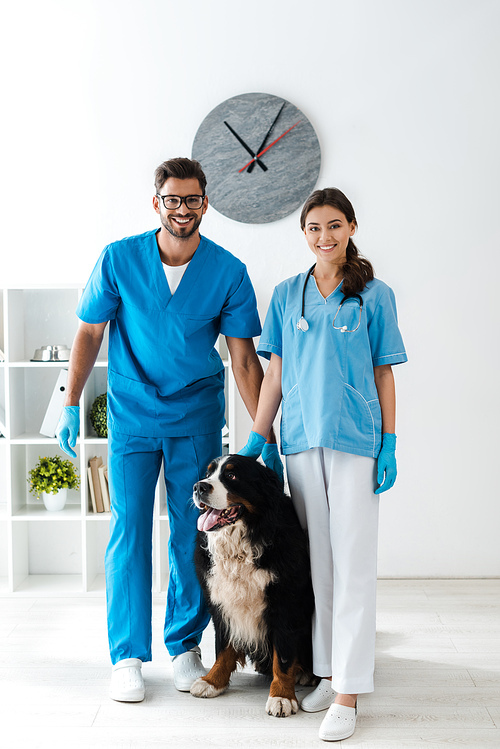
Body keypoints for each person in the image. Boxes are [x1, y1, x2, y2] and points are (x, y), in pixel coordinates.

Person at [56, 157, 281, 702]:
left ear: (206, 203)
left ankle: (185, 647)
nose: (183, 209)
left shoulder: (227, 270)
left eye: (193, 199)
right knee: (129, 531)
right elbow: (89, 331)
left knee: (195, 535)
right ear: (157, 203)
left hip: (196, 417)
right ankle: (127, 657)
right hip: (132, 413)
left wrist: (263, 438)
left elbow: (245, 361)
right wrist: (69, 399)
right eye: (172, 199)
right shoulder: (119, 258)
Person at [239, 188, 407, 741]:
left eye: (334, 226)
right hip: (302, 443)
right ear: (304, 234)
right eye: (314, 228)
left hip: (357, 443)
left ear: (351, 227)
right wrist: (259, 437)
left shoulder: (374, 296)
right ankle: (328, 668)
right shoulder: (288, 296)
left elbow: (384, 373)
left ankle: (349, 693)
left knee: (354, 565)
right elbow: (276, 375)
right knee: (317, 566)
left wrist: (389, 441)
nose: (324, 237)